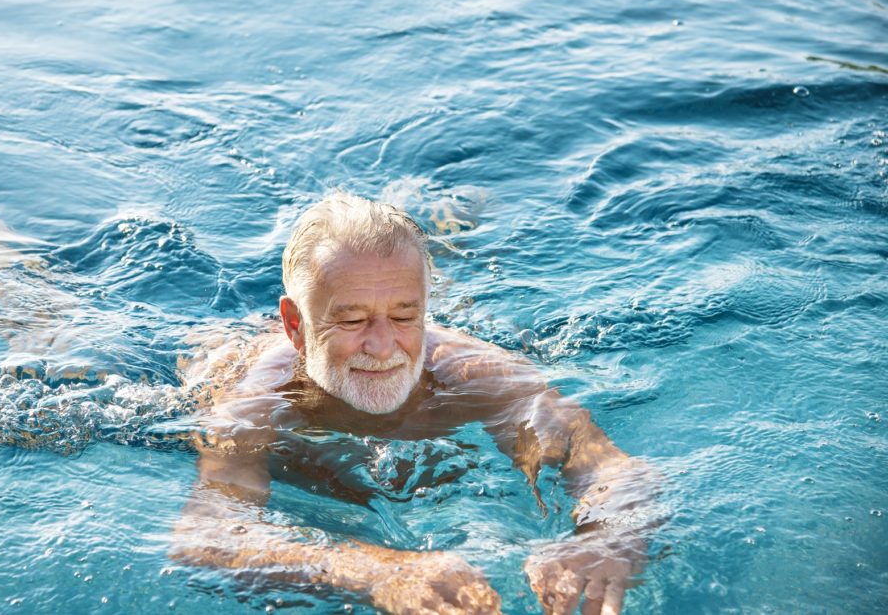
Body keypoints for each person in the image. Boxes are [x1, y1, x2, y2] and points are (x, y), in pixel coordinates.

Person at [171, 192, 657, 615]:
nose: (383, 346)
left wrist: (606, 538)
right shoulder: (257, 403)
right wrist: (376, 572)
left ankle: (450, 217)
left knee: (450, 244)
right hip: (219, 335)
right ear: (296, 326)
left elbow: (612, 470)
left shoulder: (475, 374)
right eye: (352, 320)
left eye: (405, 316)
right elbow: (209, 534)